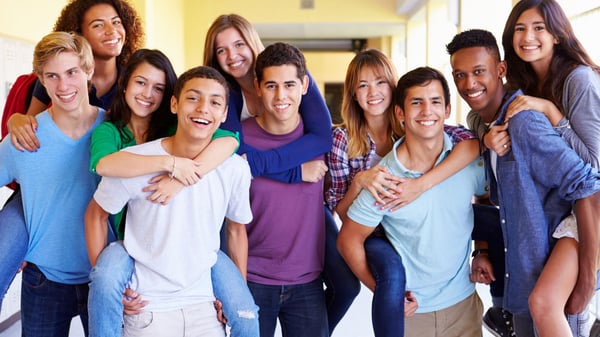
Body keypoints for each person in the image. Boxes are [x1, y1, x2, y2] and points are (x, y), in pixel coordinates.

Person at [84, 49, 258, 337]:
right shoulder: (130, 158)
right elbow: (97, 201)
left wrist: (233, 298)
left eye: (215, 102)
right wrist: (170, 164)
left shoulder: (231, 167)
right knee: (105, 279)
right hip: (148, 308)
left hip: (203, 308)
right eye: (193, 98)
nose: (203, 108)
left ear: (225, 113)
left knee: (247, 315)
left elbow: (237, 230)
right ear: (175, 104)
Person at [203, 14, 356, 334]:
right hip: (252, 244)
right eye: (221, 50)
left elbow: (321, 137)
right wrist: (294, 172)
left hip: (303, 264)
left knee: (345, 283)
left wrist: (268, 165)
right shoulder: (226, 96)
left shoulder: (291, 73)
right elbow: (236, 158)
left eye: (239, 44)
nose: (232, 55)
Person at [447, 28, 600, 337]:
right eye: (459, 75)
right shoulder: (490, 129)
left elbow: (588, 184)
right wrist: (483, 251)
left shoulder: (523, 122)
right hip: (522, 277)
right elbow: (494, 200)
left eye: (478, 72)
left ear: (501, 69)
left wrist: (586, 281)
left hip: (554, 287)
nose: (469, 84)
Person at [0, 0, 144, 310]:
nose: (63, 84)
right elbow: (32, 128)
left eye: (115, 22)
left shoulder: (130, 88)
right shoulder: (47, 97)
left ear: (87, 69)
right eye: (97, 24)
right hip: (45, 272)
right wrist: (16, 123)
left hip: (102, 265)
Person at [326, 49, 480, 337]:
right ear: (353, 94)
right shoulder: (342, 140)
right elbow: (341, 213)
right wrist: (360, 182)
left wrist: (420, 186)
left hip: (414, 231)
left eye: (380, 82)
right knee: (393, 277)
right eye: (362, 85)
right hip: (374, 233)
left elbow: (471, 144)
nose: (373, 92)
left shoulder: (417, 127)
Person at [501, 2, 600, 334]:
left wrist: (550, 112)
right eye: (520, 28)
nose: (528, 36)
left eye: (539, 27)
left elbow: (594, 166)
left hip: (593, 208)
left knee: (544, 302)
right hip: (571, 212)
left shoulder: (579, 79)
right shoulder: (527, 84)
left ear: (558, 34)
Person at [0, 31, 105, 336]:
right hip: (43, 279)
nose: (63, 86)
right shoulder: (23, 138)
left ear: (88, 71)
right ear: (42, 81)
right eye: (52, 76)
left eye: (72, 72)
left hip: (102, 278)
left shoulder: (112, 132)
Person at [241, 42, 328, 337]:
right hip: (251, 280)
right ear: (257, 86)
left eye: (290, 84)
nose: (281, 96)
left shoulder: (320, 142)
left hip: (307, 281)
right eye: (271, 85)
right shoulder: (237, 139)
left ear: (304, 85)